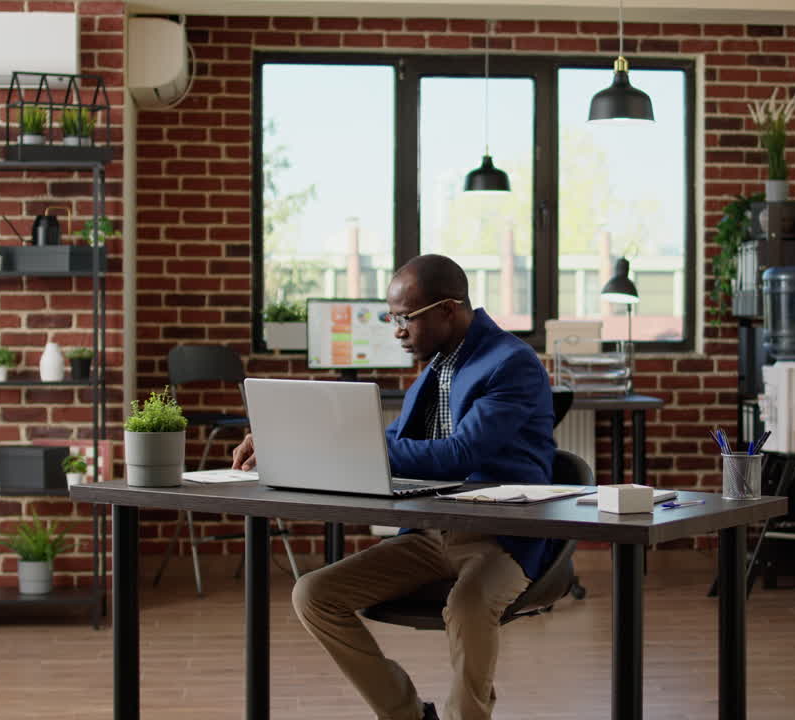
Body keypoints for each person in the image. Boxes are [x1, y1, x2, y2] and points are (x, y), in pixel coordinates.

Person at [232, 254, 555, 720]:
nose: (398, 331)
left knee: (467, 604)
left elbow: (459, 454)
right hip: (431, 533)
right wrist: (288, 440)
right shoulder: (438, 367)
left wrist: (349, 446)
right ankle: (406, 714)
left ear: (448, 310)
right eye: (393, 319)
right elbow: (392, 442)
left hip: (500, 535)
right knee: (314, 595)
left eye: (406, 318)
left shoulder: (510, 363)